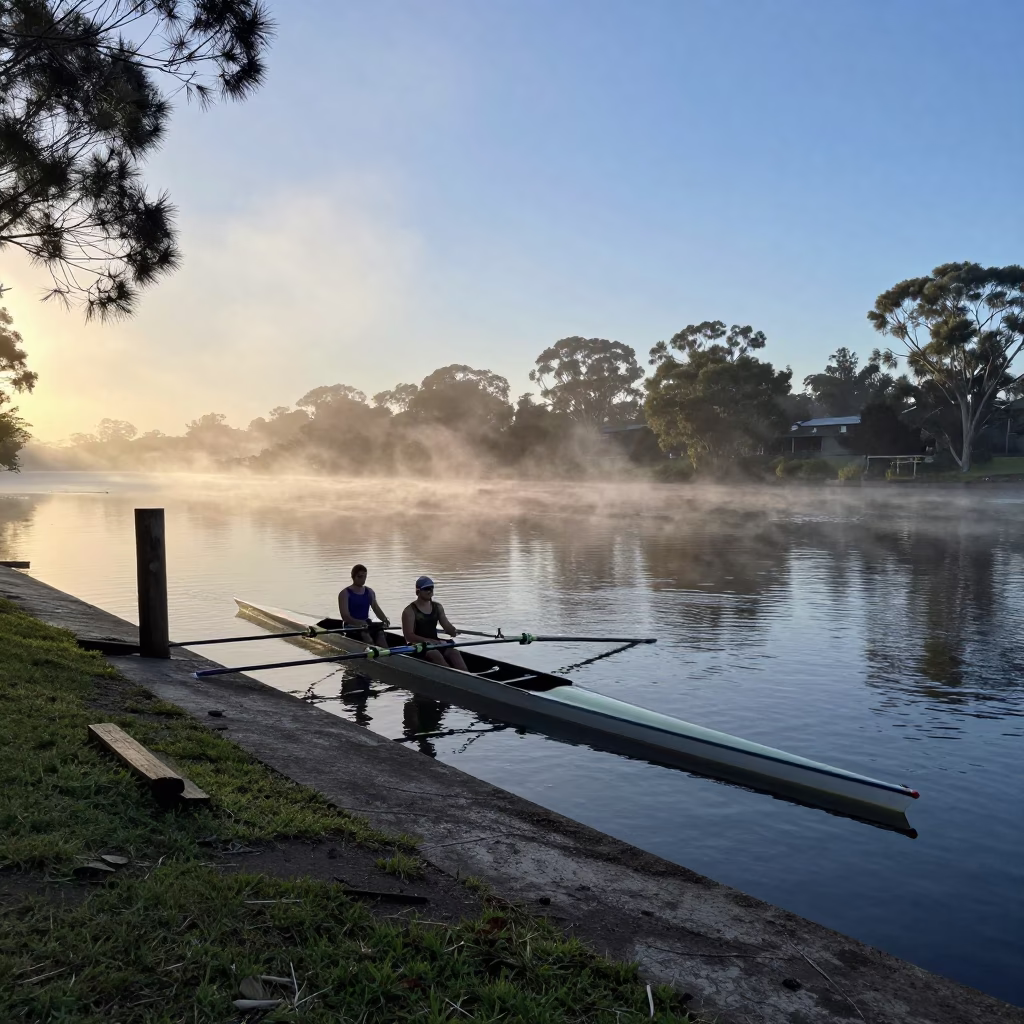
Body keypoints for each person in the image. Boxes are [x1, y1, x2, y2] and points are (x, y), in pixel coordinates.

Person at [401, 576, 468, 670]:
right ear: (418, 592)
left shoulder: (438, 607)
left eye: (432, 588)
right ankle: (453, 676)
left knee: (454, 652)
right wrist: (427, 640)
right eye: (426, 589)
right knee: (434, 653)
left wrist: (452, 631)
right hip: (417, 645)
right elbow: (408, 636)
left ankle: (467, 675)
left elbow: (446, 626)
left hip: (435, 642)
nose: (430, 591)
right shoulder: (409, 611)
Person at [339, 564, 390, 648]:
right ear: (353, 577)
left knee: (380, 632)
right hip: (351, 625)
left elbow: (375, 608)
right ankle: (373, 652)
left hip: (366, 623)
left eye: (365, 577)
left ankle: (387, 653)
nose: (363, 580)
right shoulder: (344, 593)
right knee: (366, 635)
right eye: (360, 577)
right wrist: (359, 623)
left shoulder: (369, 591)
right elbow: (345, 616)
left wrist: (384, 619)